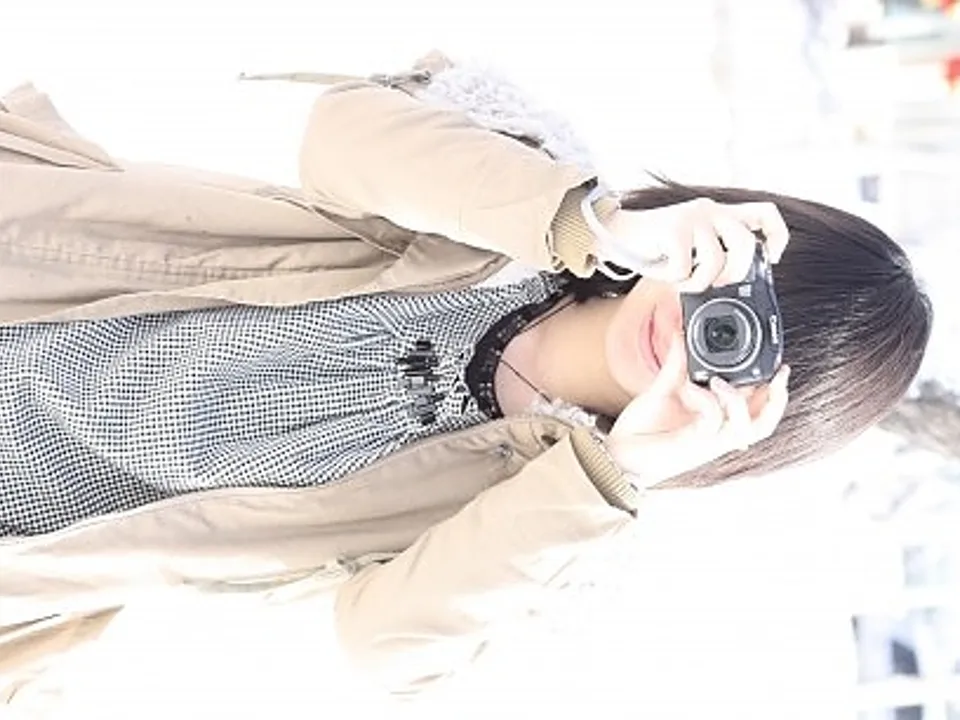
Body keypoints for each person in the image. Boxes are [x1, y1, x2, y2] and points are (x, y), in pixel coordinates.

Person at [0, 53, 931, 713]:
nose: (697, 333)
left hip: (33, 523)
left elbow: (386, 646)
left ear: (756, 423)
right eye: (741, 299)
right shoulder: (533, 191)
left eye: (743, 353)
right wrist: (592, 224)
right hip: (32, 283)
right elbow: (343, 133)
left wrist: (617, 470)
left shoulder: (568, 517)